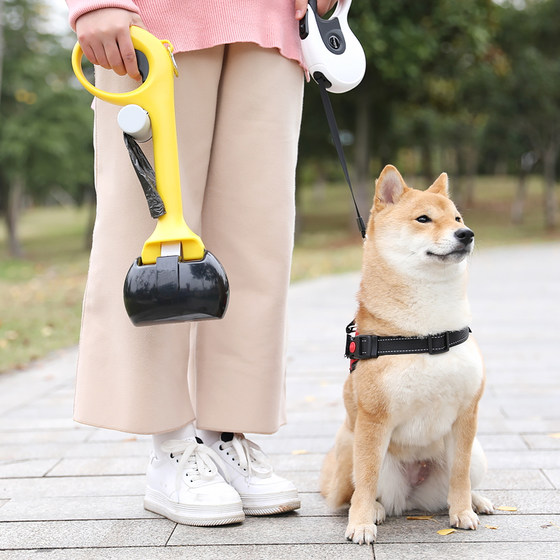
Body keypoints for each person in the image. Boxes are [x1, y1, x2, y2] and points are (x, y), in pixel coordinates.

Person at [65, 0, 335, 527]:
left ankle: (225, 436)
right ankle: (169, 445)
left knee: (256, 236)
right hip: (151, 17)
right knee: (149, 229)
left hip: (272, 21)